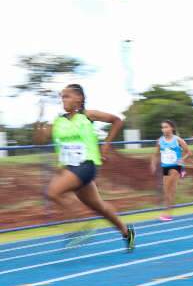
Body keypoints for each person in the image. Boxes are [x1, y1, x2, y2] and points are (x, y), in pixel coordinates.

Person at [43, 84, 135, 251]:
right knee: (99, 207)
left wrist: (106, 145)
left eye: (67, 96)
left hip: (86, 166)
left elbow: (117, 120)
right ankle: (127, 232)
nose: (63, 100)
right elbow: (45, 139)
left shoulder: (87, 115)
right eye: (62, 97)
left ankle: (81, 227)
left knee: (53, 192)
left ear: (79, 98)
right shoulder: (60, 121)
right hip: (71, 167)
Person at [150, 120, 191, 221]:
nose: (164, 129)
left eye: (166, 127)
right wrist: (153, 164)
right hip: (165, 167)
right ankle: (168, 212)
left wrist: (182, 160)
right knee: (168, 191)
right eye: (162, 127)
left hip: (175, 166)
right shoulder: (160, 140)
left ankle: (167, 213)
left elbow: (189, 152)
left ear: (172, 128)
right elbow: (156, 154)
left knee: (168, 190)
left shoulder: (178, 140)